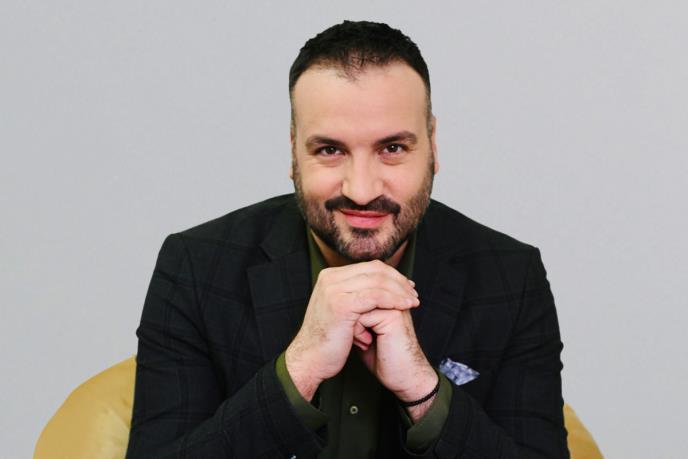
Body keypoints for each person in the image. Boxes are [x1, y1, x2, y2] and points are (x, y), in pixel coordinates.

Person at [125, 20, 569, 458]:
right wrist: (299, 370)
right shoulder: (196, 267)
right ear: (294, 151)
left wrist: (423, 392)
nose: (361, 190)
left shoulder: (511, 277)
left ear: (433, 145)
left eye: (392, 148)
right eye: (330, 150)